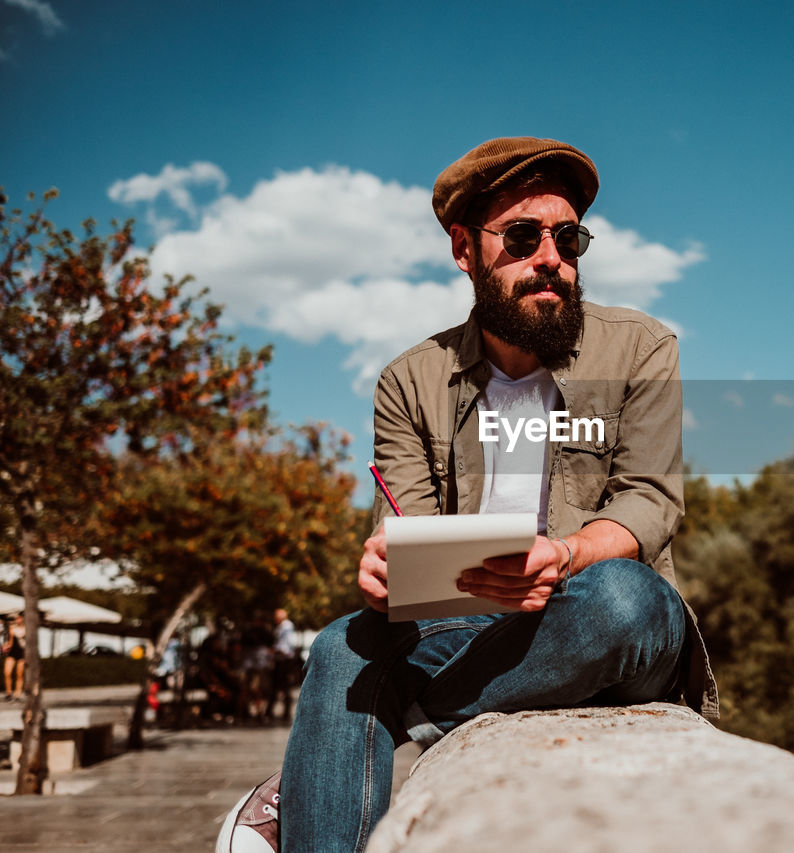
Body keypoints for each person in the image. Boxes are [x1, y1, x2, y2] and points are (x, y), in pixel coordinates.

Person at [217, 137, 717, 853]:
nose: (551, 256)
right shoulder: (409, 380)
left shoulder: (642, 348)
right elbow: (406, 532)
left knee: (623, 595)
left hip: (604, 621)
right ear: (464, 249)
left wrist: (568, 553)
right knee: (343, 644)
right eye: (522, 236)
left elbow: (649, 501)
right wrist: (386, 572)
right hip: (473, 626)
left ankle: (344, 755)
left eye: (568, 238)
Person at [269, 608, 299, 721]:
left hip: (284, 660)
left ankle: (283, 712)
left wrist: (276, 650)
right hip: (282, 659)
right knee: (281, 686)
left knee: (282, 686)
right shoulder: (283, 626)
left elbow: (286, 645)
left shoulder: (286, 626)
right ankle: (276, 711)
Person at [3, 613, 25, 700]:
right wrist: (6, 646)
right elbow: (10, 642)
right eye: (16, 619)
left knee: (19, 674)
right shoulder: (12, 628)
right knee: (7, 672)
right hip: (12, 653)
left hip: (22, 653)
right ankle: (9, 693)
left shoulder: (27, 629)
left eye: (18, 618)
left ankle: (17, 693)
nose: (17, 620)